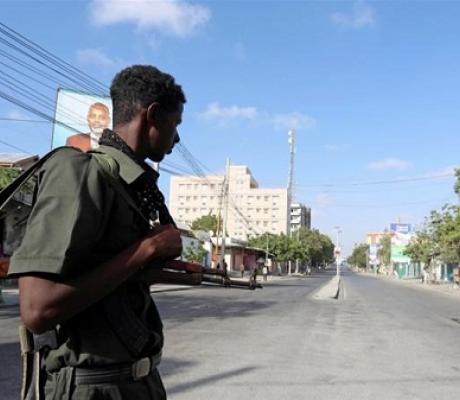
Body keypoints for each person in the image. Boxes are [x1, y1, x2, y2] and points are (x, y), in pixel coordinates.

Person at [8, 65, 186, 399]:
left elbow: (109, 281)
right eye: (175, 125)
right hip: (93, 387)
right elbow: (37, 309)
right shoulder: (78, 171)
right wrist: (146, 250)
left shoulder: (129, 185)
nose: (176, 138)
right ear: (153, 115)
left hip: (136, 382)